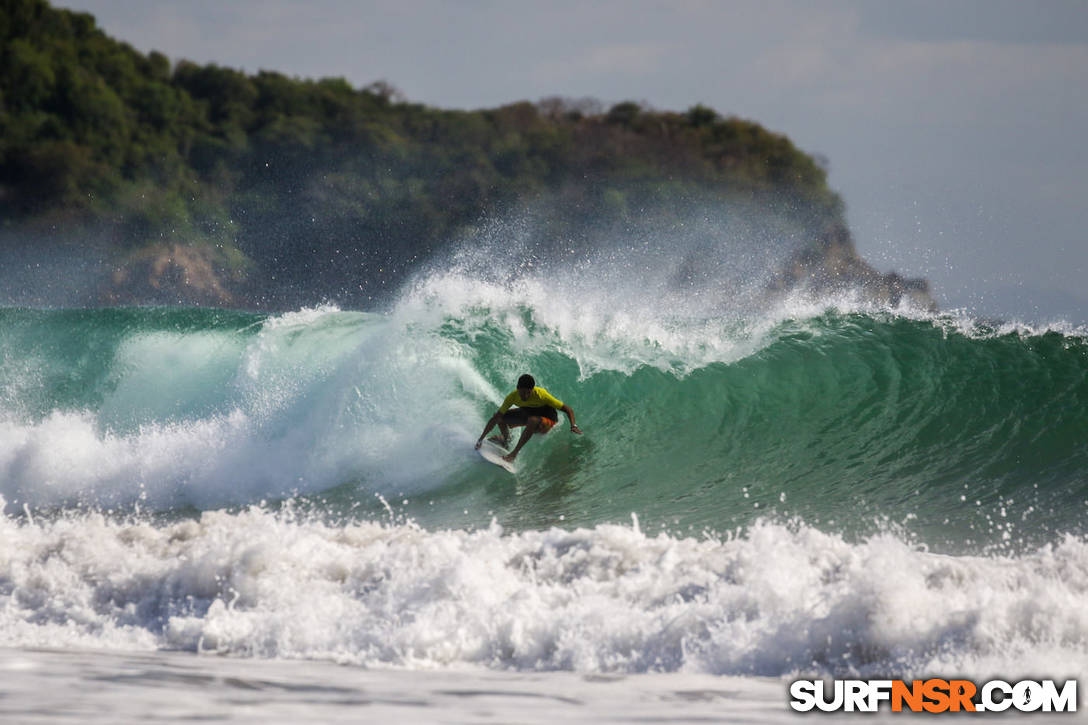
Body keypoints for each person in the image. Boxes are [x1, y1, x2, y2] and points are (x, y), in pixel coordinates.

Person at [475, 374, 581, 462]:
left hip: (548, 421)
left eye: (528, 393)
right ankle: (506, 441)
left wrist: (573, 425)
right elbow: (496, 418)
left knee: (532, 420)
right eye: (522, 392)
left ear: (532, 390)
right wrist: (480, 439)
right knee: (500, 417)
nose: (525, 396)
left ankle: (513, 454)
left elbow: (568, 409)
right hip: (529, 415)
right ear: (517, 388)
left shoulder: (542, 395)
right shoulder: (512, 397)